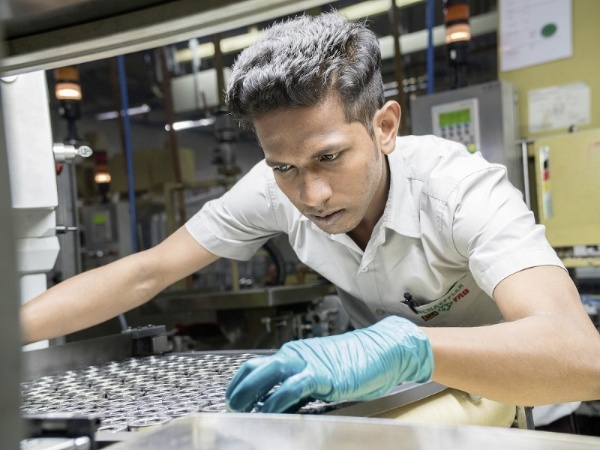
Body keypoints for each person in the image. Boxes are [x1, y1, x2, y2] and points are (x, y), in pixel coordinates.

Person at [21, 12, 600, 419]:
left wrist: (410, 349)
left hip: (519, 408)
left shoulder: (458, 190)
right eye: (284, 166)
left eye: (329, 157)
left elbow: (580, 356)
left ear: (384, 126)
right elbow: (147, 272)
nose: (312, 194)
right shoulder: (274, 187)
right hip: (409, 411)